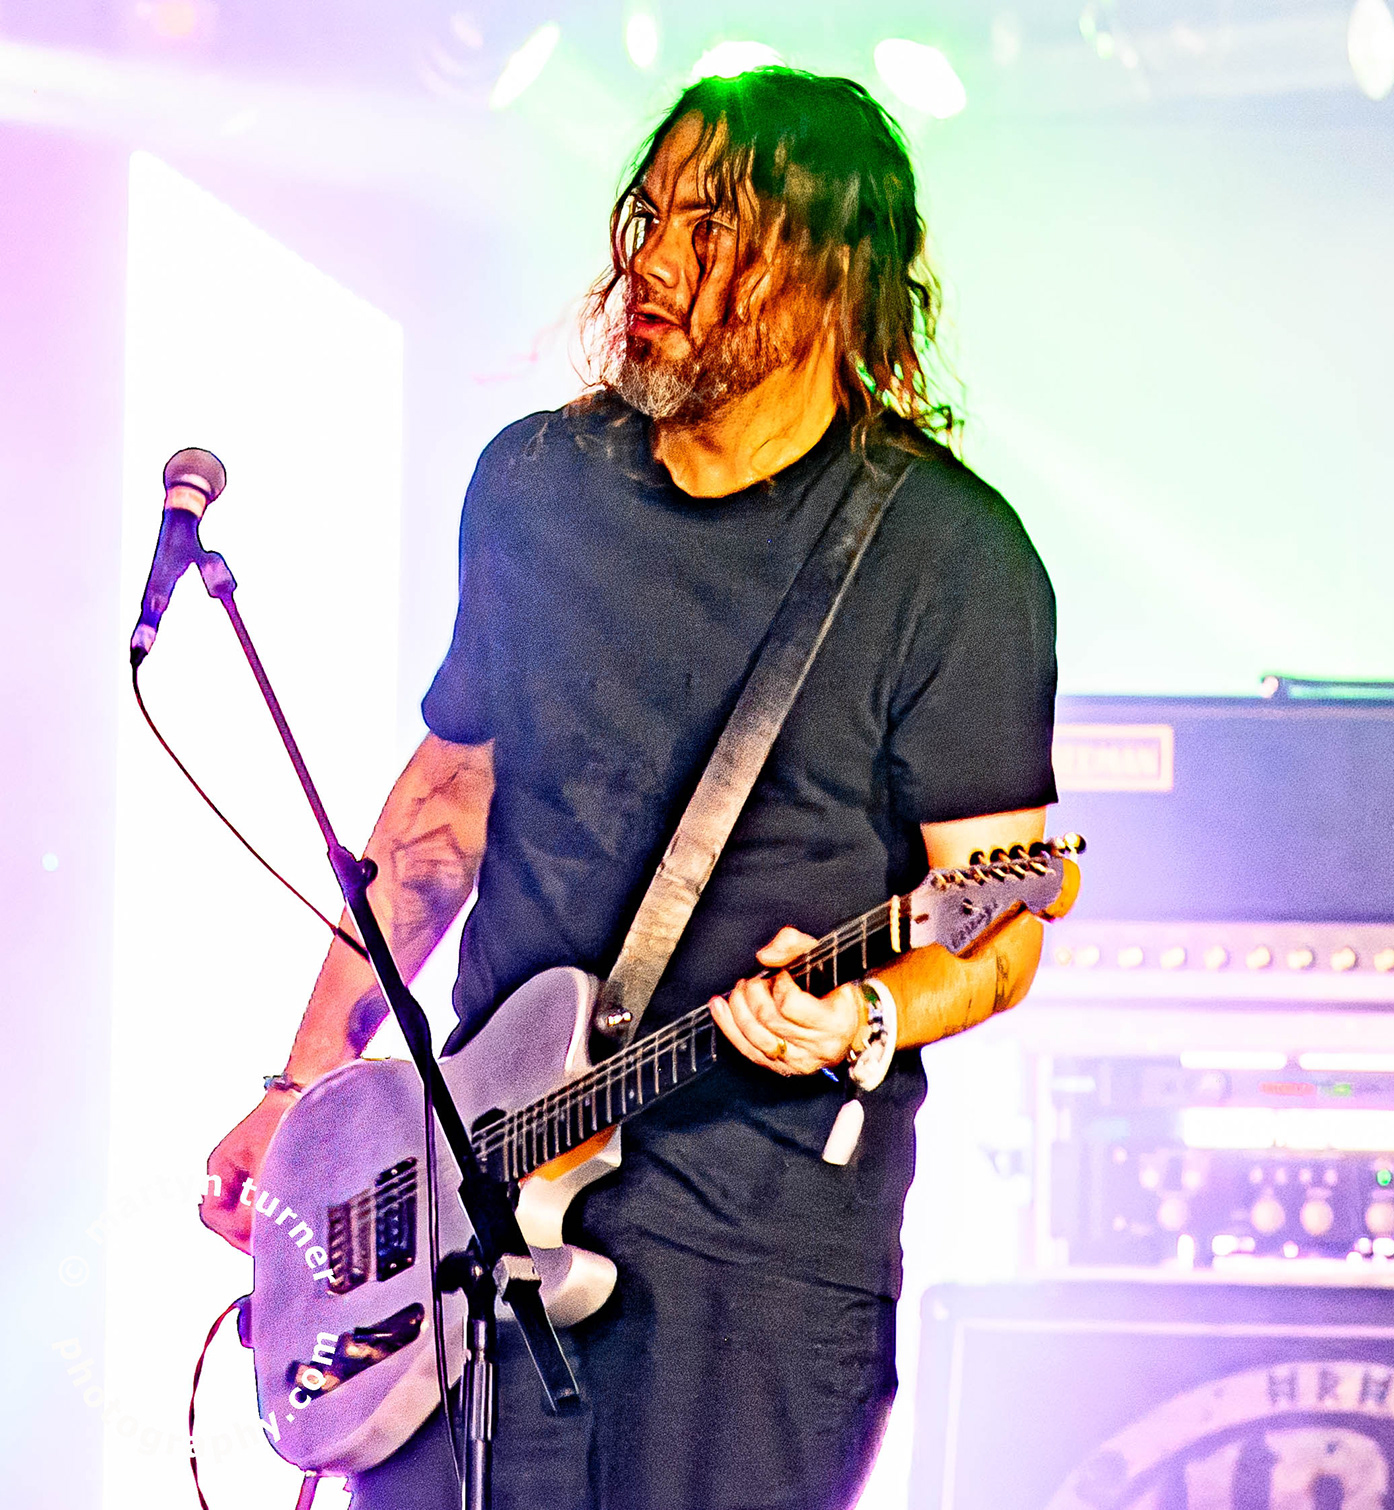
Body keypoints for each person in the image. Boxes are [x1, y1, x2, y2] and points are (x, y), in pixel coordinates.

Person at [201, 67, 1058, 1510]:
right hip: (473, 1214)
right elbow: (442, 813)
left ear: (832, 269)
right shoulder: (538, 484)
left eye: (712, 229)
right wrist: (301, 1083)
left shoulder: (946, 556)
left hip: (755, 1257)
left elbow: (1004, 917)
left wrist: (867, 1013)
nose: (653, 262)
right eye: (648, 216)